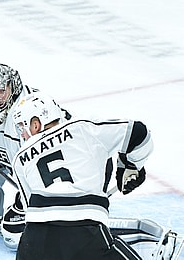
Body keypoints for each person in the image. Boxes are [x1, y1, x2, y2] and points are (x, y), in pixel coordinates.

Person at [10, 92, 153, 260]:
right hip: (84, 234)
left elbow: (30, 211)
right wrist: (130, 165)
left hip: (33, 243)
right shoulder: (82, 128)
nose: (22, 135)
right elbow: (138, 132)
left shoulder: (20, 158)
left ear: (36, 124)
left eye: (22, 127)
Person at [0, 63, 71, 249]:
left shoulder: (32, 109)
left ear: (13, 85)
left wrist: (27, 199)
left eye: (1, 91)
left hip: (63, 181)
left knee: (14, 238)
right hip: (32, 181)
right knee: (13, 233)